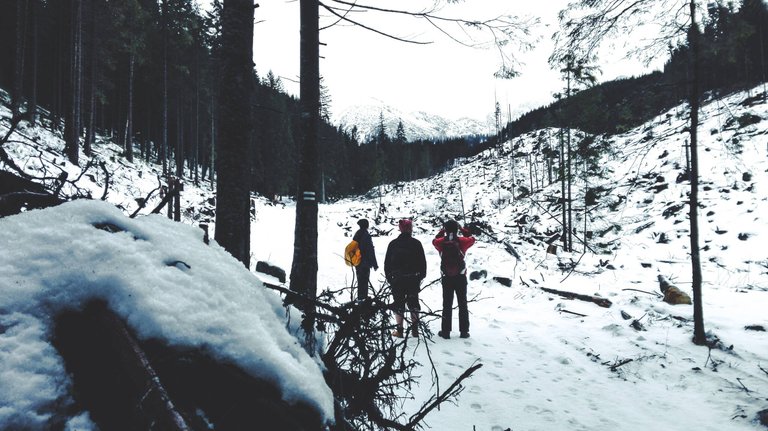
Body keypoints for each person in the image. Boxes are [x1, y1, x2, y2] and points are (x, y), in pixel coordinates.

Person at [432, 219, 476, 339]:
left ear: (446, 230)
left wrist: (441, 232)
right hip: (461, 276)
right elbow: (472, 239)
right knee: (462, 304)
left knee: (447, 304)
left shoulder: (441, 242)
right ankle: (464, 331)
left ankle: (445, 331)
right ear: (457, 229)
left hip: (446, 276)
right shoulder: (462, 241)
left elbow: (434, 241)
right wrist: (464, 230)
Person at [384, 219, 426, 338]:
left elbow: (387, 263)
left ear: (400, 228)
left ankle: (400, 330)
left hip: (397, 280)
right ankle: (414, 329)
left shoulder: (393, 244)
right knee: (413, 303)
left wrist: (390, 278)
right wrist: (420, 276)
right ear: (410, 228)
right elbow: (423, 262)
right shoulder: (416, 243)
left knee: (399, 303)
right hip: (413, 278)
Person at [353, 218, 378, 300]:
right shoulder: (366, 235)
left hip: (357, 262)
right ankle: (363, 299)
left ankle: (361, 298)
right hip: (365, 262)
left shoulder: (357, 234)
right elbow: (370, 250)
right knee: (364, 281)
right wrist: (375, 264)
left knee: (360, 281)